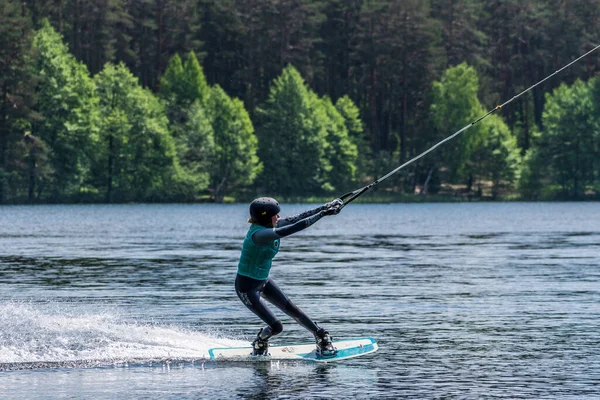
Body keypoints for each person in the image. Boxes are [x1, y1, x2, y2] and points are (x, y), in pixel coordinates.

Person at [235, 197, 343, 357]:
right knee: (277, 327)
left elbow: (297, 218)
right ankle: (260, 342)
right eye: (275, 215)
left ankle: (320, 336)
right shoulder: (259, 235)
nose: (278, 218)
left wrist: (325, 207)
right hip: (247, 287)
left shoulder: (270, 224)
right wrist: (323, 214)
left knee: (294, 311)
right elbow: (294, 227)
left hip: (263, 281)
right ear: (266, 217)